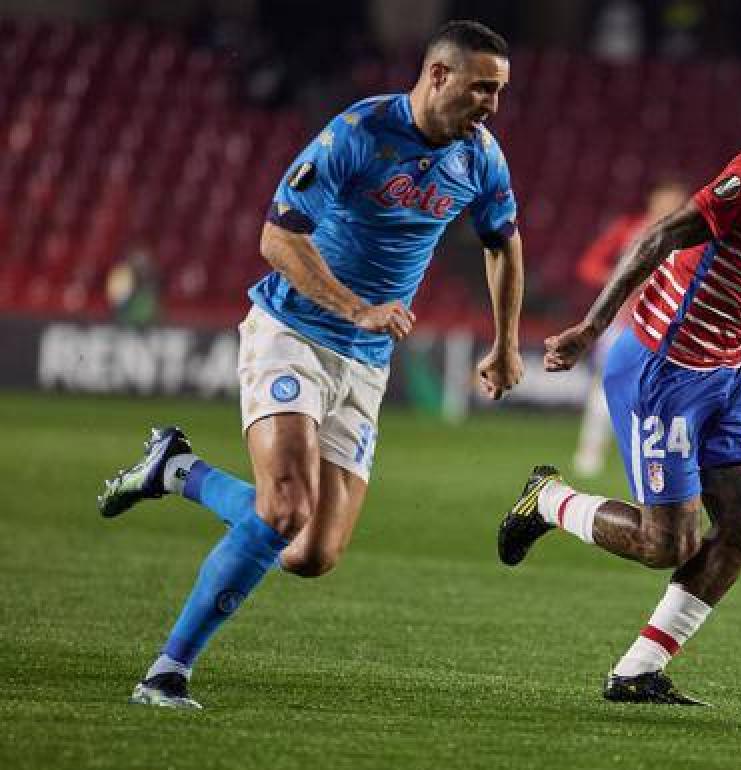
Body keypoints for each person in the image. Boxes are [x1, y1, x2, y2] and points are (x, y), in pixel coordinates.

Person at [97, 20, 525, 709]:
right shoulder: (357, 134)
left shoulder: (481, 156)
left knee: (308, 553)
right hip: (291, 332)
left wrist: (504, 343)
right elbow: (277, 238)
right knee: (286, 505)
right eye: (482, 89)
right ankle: (166, 671)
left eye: (499, 92)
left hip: (366, 363)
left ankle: (177, 470)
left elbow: (503, 243)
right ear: (438, 75)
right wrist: (355, 306)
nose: (491, 106)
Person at [498, 76, 741, 704]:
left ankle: (637, 670)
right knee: (664, 543)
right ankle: (549, 500)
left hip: (725, 376)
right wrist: (591, 328)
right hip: (663, 370)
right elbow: (658, 237)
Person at [572, 178, 688, 477]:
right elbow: (588, 265)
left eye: (676, 202)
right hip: (625, 325)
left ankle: (661, 461)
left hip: (672, 329)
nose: (669, 207)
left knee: (666, 396)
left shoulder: (691, 237)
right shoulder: (628, 230)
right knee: (605, 388)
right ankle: (590, 452)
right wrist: (621, 280)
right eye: (665, 201)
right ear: (652, 202)